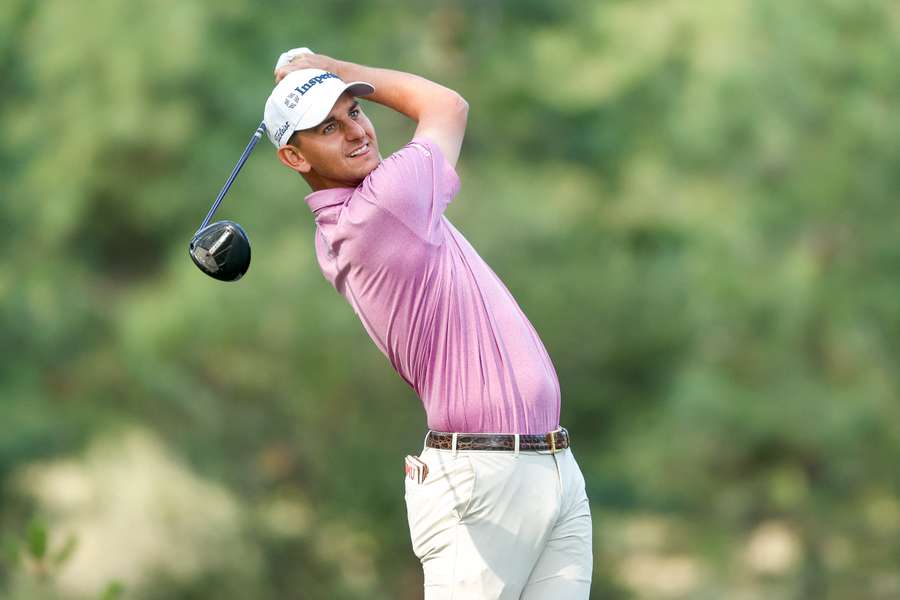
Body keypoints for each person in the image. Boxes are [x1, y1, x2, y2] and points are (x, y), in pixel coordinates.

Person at [265, 49, 593, 599]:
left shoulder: (371, 211)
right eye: (328, 127)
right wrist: (331, 65)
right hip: (482, 483)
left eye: (354, 113)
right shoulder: (382, 208)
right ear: (295, 158)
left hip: (551, 466)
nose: (356, 132)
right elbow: (447, 104)